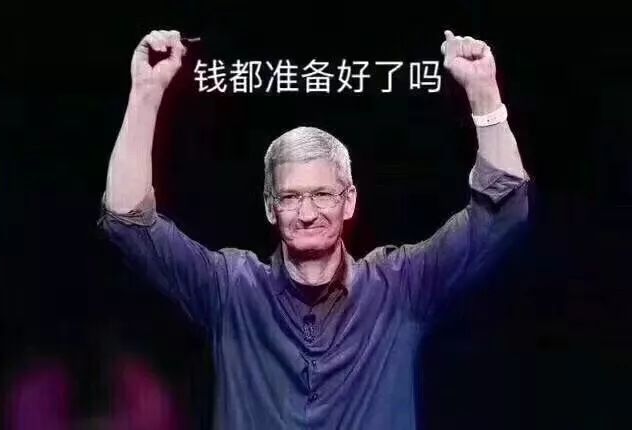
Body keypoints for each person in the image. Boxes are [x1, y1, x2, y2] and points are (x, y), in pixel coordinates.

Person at [98, 28, 530, 429]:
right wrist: (146, 94)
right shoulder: (230, 290)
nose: (306, 213)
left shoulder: (401, 287)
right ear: (270, 206)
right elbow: (127, 220)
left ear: (349, 200)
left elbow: (502, 210)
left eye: (322, 194)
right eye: (290, 197)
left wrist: (484, 94)